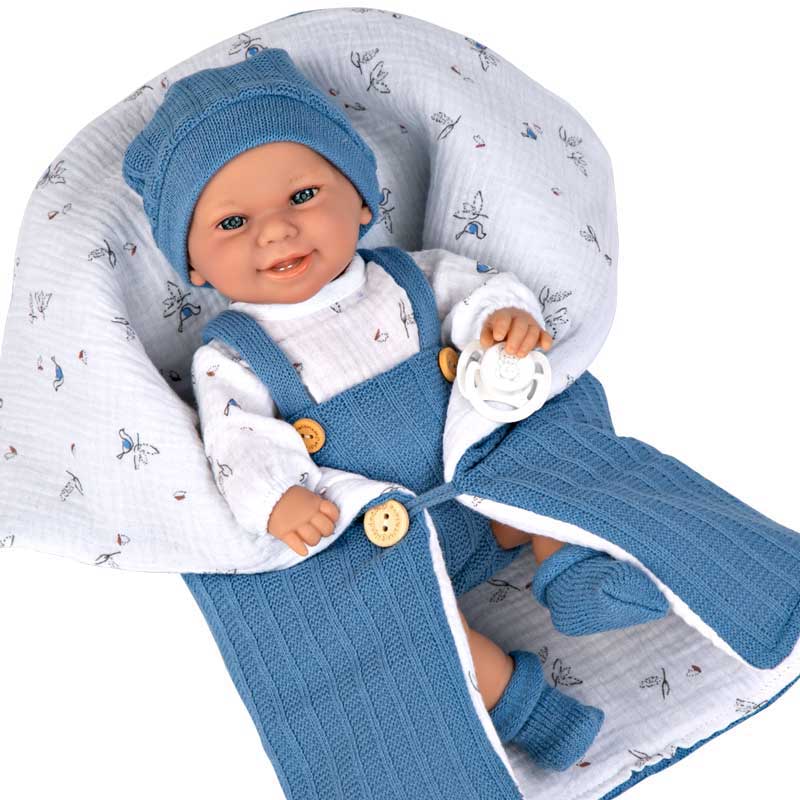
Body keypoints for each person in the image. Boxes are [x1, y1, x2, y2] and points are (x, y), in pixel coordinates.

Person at [122, 46, 664, 771]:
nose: (275, 231)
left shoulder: (412, 275)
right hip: (379, 537)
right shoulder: (233, 356)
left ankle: (570, 563)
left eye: (302, 196)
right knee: (394, 627)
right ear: (192, 266)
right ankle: (531, 709)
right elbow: (236, 441)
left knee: (548, 415)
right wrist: (278, 497)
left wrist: (504, 322)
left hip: (483, 487)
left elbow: (481, 295)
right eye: (231, 223)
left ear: (361, 200)